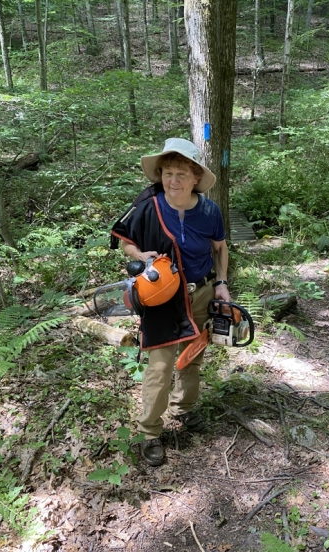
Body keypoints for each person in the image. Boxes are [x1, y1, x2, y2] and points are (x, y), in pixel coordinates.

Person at [111, 138, 230, 466]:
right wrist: (140, 254)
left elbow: (220, 248)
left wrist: (221, 284)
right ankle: (150, 431)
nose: (173, 180)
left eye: (181, 173)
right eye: (167, 173)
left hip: (203, 293)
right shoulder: (148, 206)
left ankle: (184, 409)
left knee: (191, 359)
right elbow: (127, 244)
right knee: (160, 367)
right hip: (162, 297)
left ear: (195, 177)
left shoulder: (209, 211)